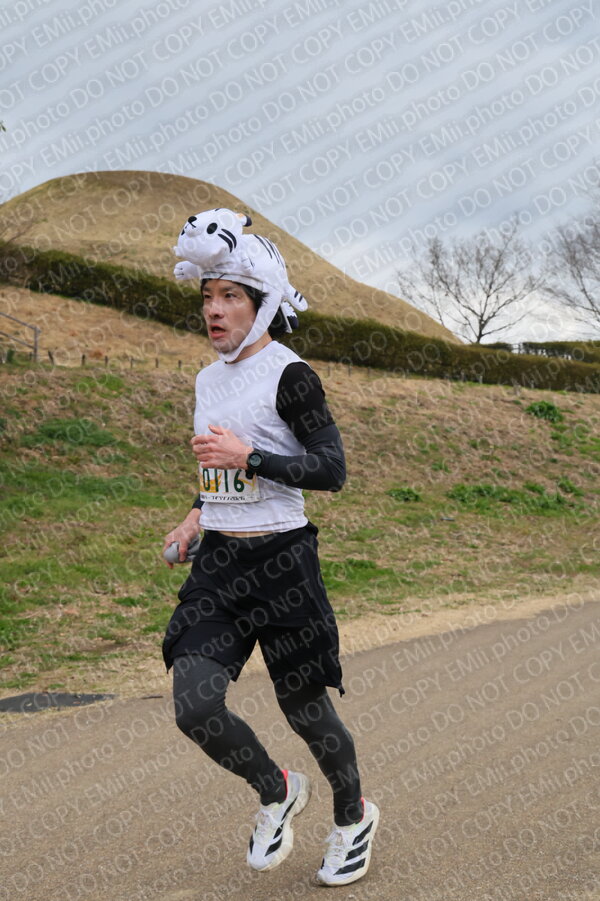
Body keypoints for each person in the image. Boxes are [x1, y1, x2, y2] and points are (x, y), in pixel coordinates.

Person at [161, 209, 379, 886]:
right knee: (195, 704)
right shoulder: (207, 380)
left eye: (230, 296)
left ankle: (353, 815)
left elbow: (331, 469)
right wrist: (195, 516)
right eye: (207, 296)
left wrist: (250, 457)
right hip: (221, 564)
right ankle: (276, 789)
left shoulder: (292, 375)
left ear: (260, 306)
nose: (214, 309)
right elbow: (217, 468)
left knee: (307, 712)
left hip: (284, 562)